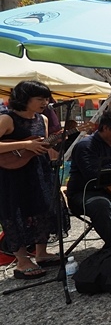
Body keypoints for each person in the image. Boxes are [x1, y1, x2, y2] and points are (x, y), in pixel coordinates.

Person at [0, 81, 63, 279]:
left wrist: (53, 142)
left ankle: (41, 252)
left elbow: (40, 145)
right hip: (11, 174)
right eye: (40, 98)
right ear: (25, 99)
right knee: (15, 213)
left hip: (37, 171)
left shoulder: (42, 119)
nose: (45, 102)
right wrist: (25, 143)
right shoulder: (7, 119)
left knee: (42, 209)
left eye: (46, 98)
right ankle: (21, 260)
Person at [66, 110, 111, 249]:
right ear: (105, 128)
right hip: (85, 192)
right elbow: (92, 175)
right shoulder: (85, 146)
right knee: (100, 204)